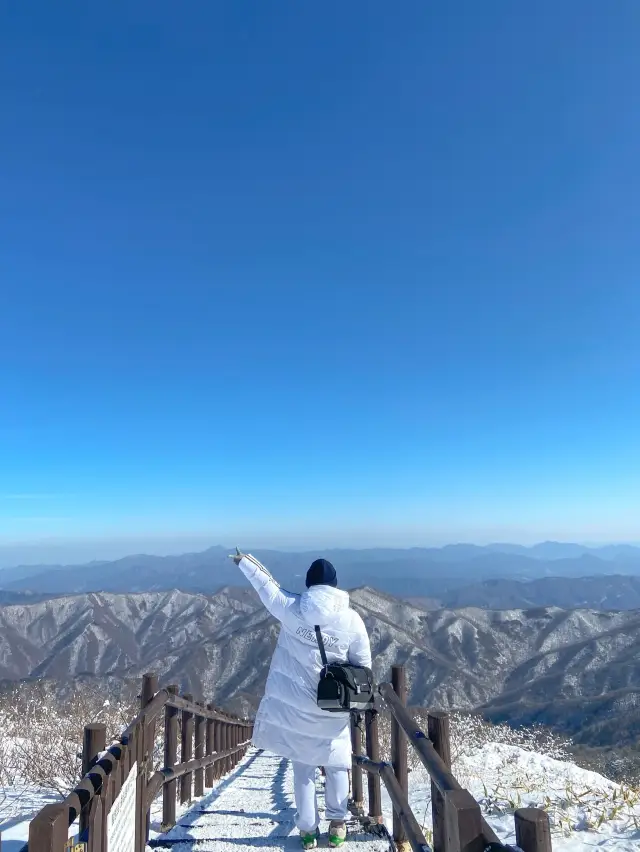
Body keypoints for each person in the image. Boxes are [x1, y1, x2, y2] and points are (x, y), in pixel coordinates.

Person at [231, 549, 372, 850]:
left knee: (304, 769)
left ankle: (308, 831)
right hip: (334, 706)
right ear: (335, 585)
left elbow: (267, 588)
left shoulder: (292, 609)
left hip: (297, 710)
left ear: (309, 583)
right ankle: (337, 824)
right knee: (336, 764)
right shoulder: (352, 620)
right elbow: (363, 667)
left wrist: (244, 561)